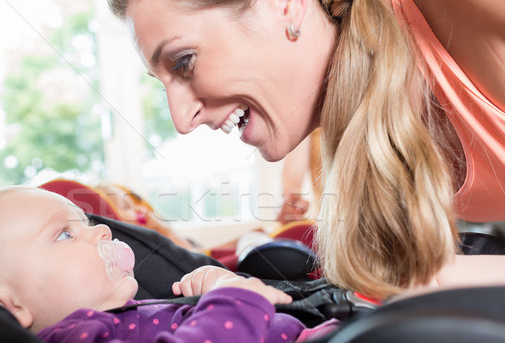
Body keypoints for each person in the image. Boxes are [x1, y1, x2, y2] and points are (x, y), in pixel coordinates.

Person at [106, 0, 505, 300]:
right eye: (163, 84)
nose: (181, 119)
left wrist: (438, 280)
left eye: (184, 62)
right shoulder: (357, 112)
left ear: (285, 5)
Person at [0, 186, 337, 343]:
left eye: (87, 224)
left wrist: (217, 287)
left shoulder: (126, 313)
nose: (104, 231)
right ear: (8, 308)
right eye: (63, 236)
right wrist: (234, 302)